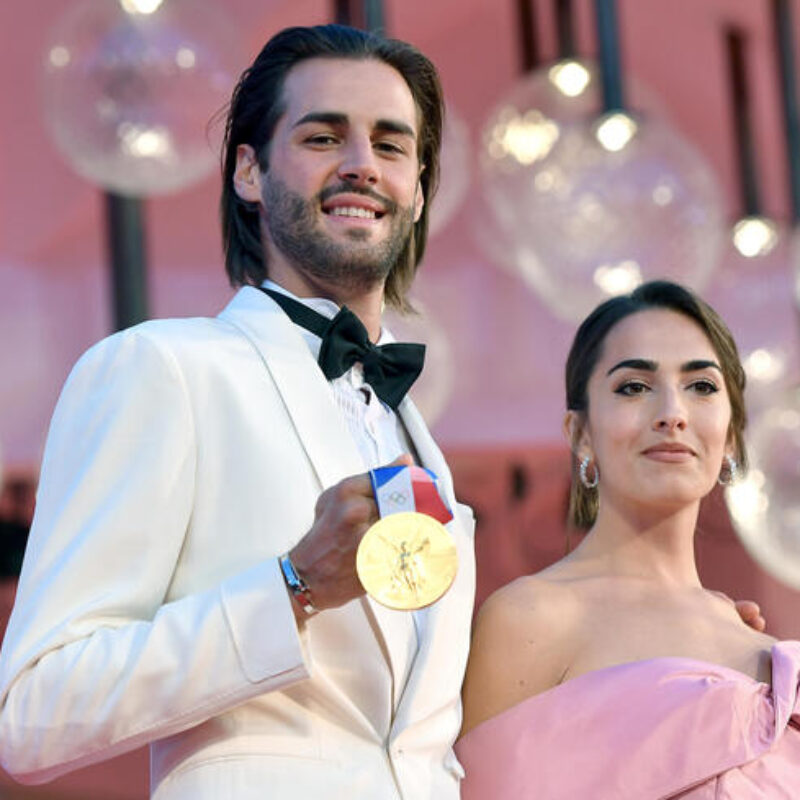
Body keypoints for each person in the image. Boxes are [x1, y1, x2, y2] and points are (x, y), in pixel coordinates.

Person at [0, 25, 475, 800]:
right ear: (249, 172)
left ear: (418, 189)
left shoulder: (416, 431)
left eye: (391, 146)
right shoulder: (163, 370)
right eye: (324, 136)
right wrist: (294, 587)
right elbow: (33, 712)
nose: (361, 163)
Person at [456, 281, 799, 799]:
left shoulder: (763, 646)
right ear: (580, 434)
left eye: (702, 386)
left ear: (730, 436)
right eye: (633, 387)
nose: (672, 413)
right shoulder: (530, 619)